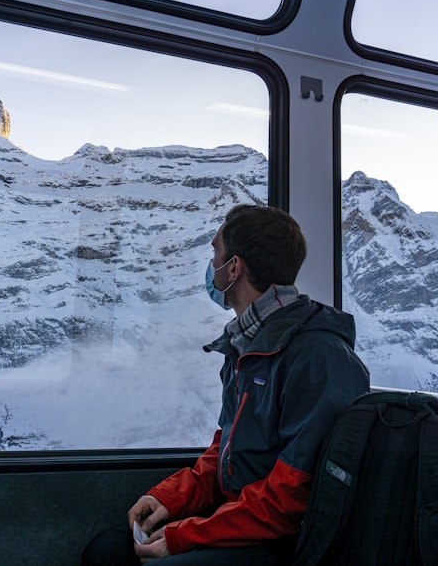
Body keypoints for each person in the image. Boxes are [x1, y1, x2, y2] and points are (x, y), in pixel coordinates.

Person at [81, 204, 371, 565]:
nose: (210, 264)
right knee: (108, 550)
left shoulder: (317, 356)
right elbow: (228, 450)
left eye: (216, 253)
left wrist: (184, 536)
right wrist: (169, 499)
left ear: (234, 268)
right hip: (242, 517)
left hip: (282, 539)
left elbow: (290, 498)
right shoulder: (247, 346)